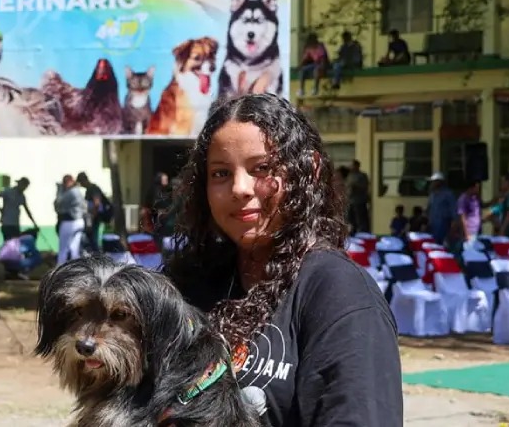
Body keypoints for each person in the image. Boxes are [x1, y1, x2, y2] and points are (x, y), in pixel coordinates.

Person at [166, 93, 403, 426]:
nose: (240, 188)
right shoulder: (190, 285)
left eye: (261, 168)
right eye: (220, 173)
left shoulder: (340, 294)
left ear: (309, 168)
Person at [54, 174, 86, 265]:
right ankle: (76, 271)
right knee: (74, 249)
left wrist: (59, 190)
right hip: (79, 221)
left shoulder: (71, 192)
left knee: (63, 249)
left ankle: (59, 268)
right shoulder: (78, 191)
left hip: (69, 221)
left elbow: (58, 202)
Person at [77, 172, 111, 251]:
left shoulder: (93, 188)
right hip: (92, 217)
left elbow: (97, 203)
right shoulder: (89, 190)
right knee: (90, 239)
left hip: (95, 217)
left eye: (80, 182)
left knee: (93, 239)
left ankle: (97, 257)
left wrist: (92, 217)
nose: (80, 185)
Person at [426, 172, 456, 246]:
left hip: (444, 224)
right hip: (433, 224)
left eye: (434, 181)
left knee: (442, 244)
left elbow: (453, 209)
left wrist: (453, 224)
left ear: (439, 182)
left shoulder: (448, 194)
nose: (432, 183)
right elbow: (429, 208)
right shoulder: (432, 194)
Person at [298, 33, 329, 97]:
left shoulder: (320, 46)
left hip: (321, 64)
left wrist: (322, 67)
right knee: (302, 71)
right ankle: (301, 90)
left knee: (316, 70)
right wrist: (300, 66)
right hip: (314, 64)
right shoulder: (309, 47)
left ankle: (315, 89)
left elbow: (323, 58)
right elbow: (305, 59)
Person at [345, 159, 370, 234]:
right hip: (350, 201)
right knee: (350, 219)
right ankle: (352, 232)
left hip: (359, 201)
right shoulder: (349, 176)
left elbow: (364, 187)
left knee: (360, 219)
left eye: (353, 165)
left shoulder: (362, 175)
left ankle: (361, 232)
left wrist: (356, 187)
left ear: (357, 166)